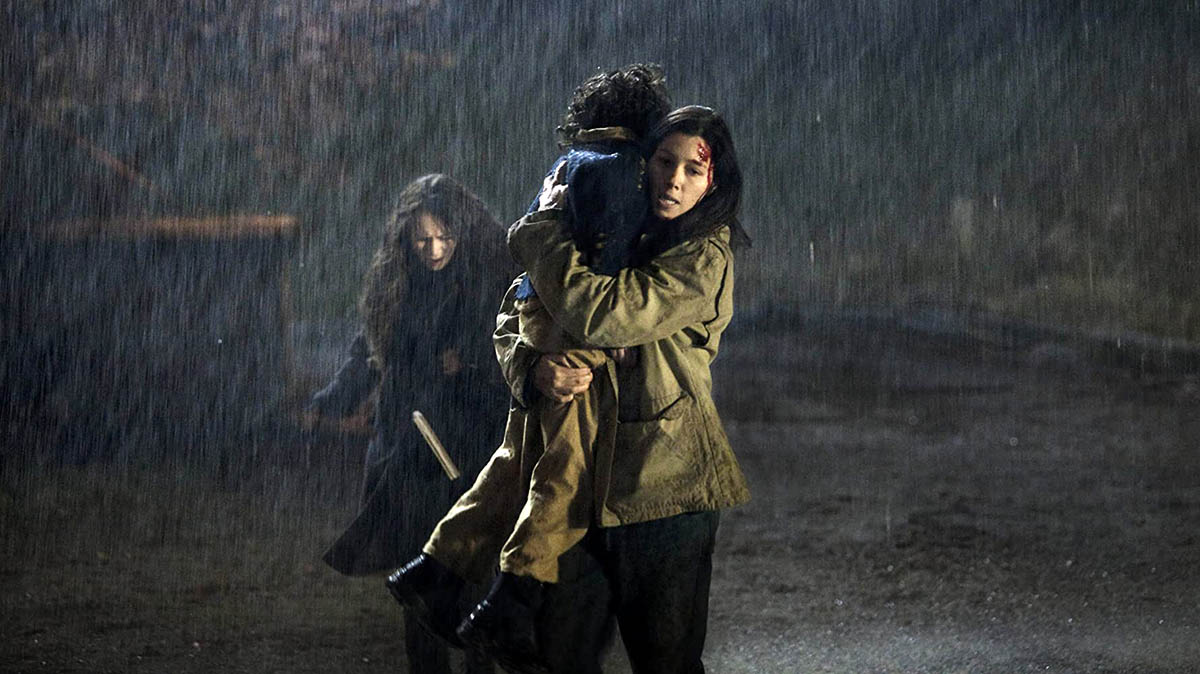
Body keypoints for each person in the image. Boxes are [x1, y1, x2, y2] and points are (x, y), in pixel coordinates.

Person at [401, 106, 751, 673]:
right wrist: (532, 368)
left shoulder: (703, 253)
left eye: (693, 169)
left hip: (663, 490)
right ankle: (447, 577)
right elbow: (514, 315)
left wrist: (541, 230)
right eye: (664, 162)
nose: (674, 180)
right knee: (558, 658)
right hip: (580, 496)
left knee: (665, 663)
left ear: (714, 181)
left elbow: (605, 314)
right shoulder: (610, 227)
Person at [387, 64, 672, 670]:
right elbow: (607, 263)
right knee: (559, 473)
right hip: (572, 326)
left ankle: (435, 569)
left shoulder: (567, 165)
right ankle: (510, 596)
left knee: (513, 463)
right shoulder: (621, 169)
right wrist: (611, 329)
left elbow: (531, 248)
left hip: (541, 313)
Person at [305, 174, 511, 674]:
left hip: (466, 448)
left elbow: (510, 354)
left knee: (472, 570)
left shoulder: (489, 283)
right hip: (405, 449)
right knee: (415, 577)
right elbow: (368, 353)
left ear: (463, 233)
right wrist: (331, 401)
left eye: (444, 237)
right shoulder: (395, 286)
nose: (434, 249)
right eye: (422, 239)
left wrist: (471, 362)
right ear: (406, 239)